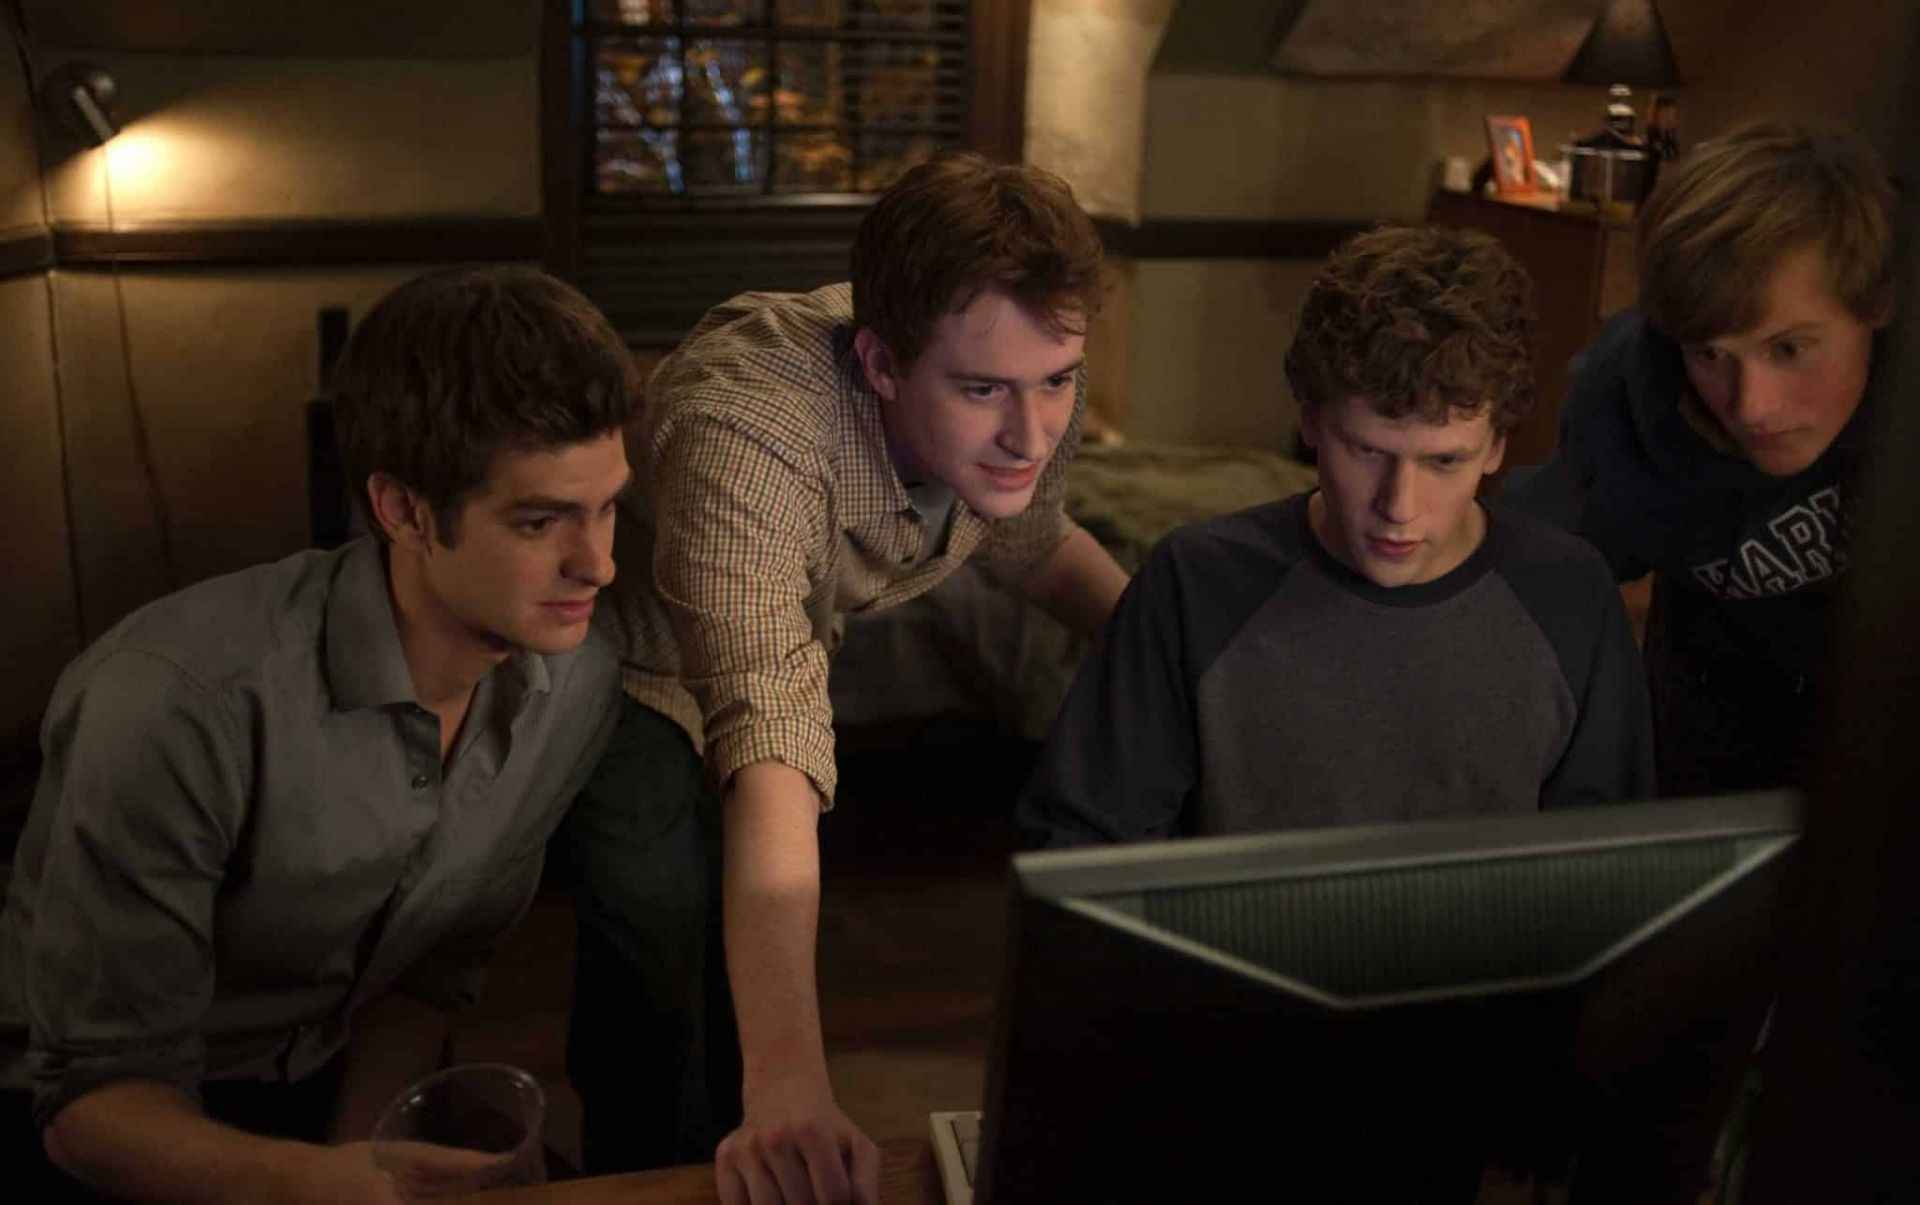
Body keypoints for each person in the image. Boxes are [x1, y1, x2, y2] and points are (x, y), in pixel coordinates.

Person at [0, 267, 635, 1202]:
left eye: (609, 506)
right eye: (541, 521)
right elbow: (89, 1099)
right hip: (109, 1126)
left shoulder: (576, 678)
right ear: (404, 511)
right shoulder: (177, 701)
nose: (599, 564)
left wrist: (367, 1161)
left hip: (336, 1094)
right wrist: (312, 1185)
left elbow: (428, 977)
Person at [570, 151, 1129, 1199]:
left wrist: (1174, 655)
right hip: (624, 660)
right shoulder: (745, 435)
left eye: (1055, 383)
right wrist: (792, 1083)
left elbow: (1032, 538)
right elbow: (770, 729)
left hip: (782, 642)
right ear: (879, 363)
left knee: (741, 974)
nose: (1032, 430)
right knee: (654, 924)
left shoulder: (1030, 361)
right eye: (982, 391)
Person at [1016, 225, 1654, 847]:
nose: (1399, 507)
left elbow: (1614, 867)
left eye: (1444, 462)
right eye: (1366, 451)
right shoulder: (1195, 584)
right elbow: (1078, 848)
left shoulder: (1569, 596)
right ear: (1311, 423)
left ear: (1496, 447)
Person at [1504, 121, 1896, 796]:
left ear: (1877, 309)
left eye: (1789, 349)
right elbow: (1531, 565)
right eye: (1710, 354)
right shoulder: (1630, 394)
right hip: (1703, 770)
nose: (1751, 406)